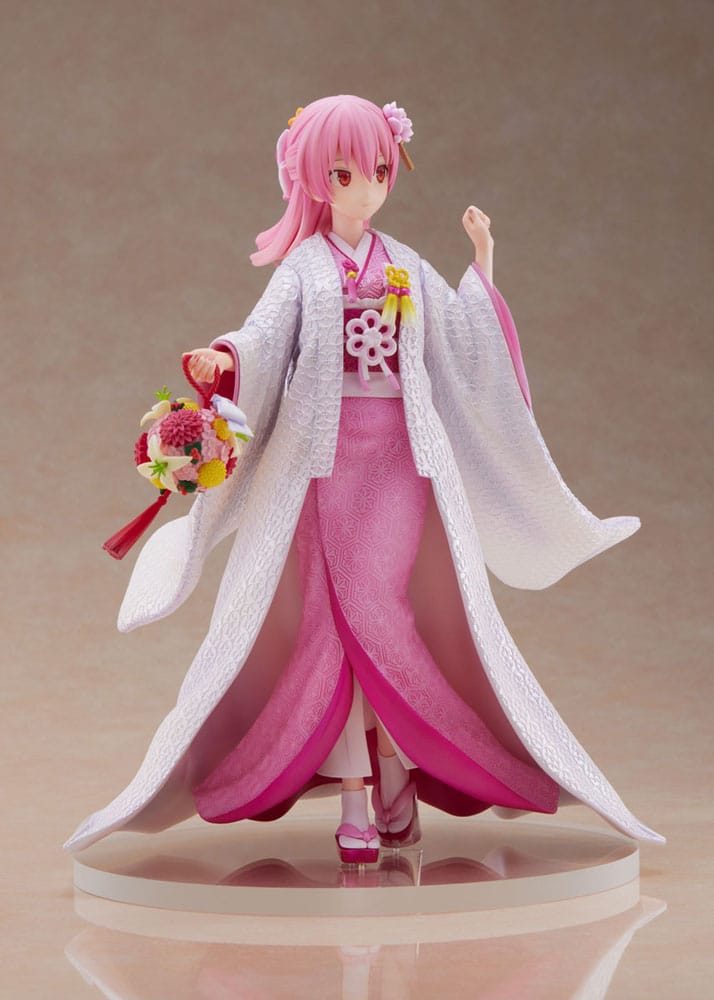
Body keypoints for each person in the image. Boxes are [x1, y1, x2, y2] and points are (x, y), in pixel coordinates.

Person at [65, 95, 663, 862]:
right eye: (347, 173)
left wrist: (483, 263)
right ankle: (366, 790)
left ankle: (393, 769)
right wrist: (226, 357)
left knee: (380, 612)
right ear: (317, 180)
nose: (368, 187)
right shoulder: (302, 270)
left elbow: (465, 343)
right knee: (333, 627)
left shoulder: (405, 262)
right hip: (323, 465)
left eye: (380, 170)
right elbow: (262, 338)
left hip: (399, 462)